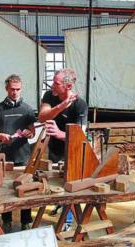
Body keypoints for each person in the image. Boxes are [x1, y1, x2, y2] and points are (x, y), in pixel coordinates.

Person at [38, 68, 88, 226]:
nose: (52, 85)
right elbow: (41, 117)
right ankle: (60, 205)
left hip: (72, 150)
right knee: (55, 181)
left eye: (56, 83)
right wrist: (62, 105)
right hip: (54, 149)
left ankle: (67, 221)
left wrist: (60, 134)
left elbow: (81, 135)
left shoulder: (80, 104)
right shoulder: (49, 95)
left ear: (67, 87)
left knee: (69, 184)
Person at [0, 74, 36, 232]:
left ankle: (25, 221)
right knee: (4, 190)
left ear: (21, 89)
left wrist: (29, 134)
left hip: (23, 156)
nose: (15, 92)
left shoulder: (28, 109)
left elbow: (32, 131)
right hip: (4, 156)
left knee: (25, 189)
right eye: (12, 89)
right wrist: (1, 136)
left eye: (17, 89)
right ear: (6, 89)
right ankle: (7, 220)